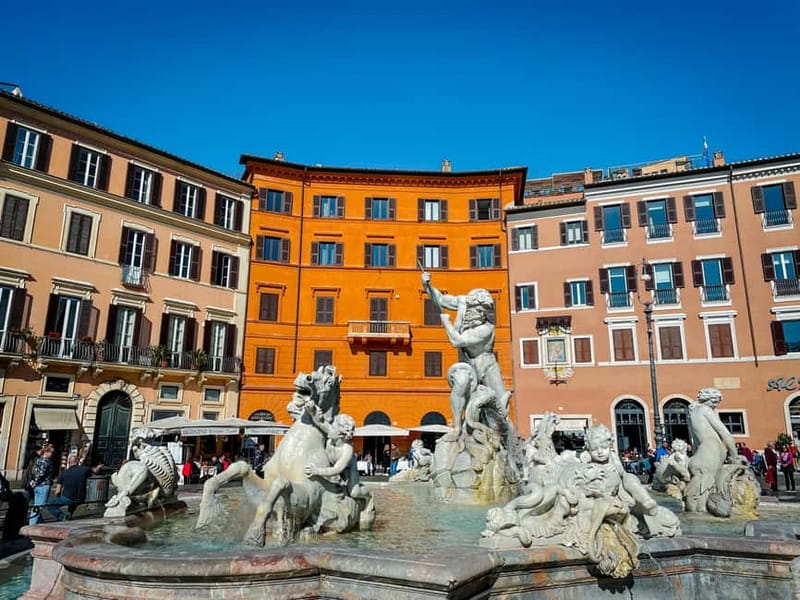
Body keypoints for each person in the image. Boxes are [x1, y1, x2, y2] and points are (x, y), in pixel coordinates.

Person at [48, 456, 102, 521]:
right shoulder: (84, 470)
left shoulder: (63, 473)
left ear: (68, 462)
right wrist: (99, 467)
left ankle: (62, 517)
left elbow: (58, 491)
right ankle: (69, 515)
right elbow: (95, 471)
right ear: (77, 462)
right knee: (73, 502)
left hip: (68, 498)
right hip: (81, 498)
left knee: (51, 506)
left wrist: (58, 497)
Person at [28, 445, 55, 525]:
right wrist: (35, 482)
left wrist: (33, 482)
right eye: (51, 452)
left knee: (37, 505)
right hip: (43, 485)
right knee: (39, 506)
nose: (52, 454)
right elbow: (41, 474)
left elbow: (35, 472)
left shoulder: (39, 459)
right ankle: (32, 523)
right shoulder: (45, 461)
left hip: (38, 485)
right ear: (46, 452)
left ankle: (38, 522)